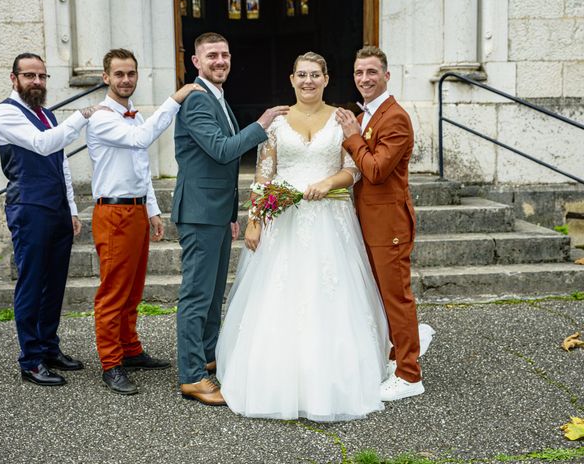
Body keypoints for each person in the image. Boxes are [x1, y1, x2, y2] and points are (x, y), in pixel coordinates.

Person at [215, 52, 391, 421]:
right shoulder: (276, 122)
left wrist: (328, 183)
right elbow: (264, 174)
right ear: (292, 79)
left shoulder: (343, 119)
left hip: (331, 217)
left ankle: (332, 379)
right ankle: (278, 378)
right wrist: (255, 219)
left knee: (331, 295)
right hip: (284, 219)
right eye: (302, 75)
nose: (308, 81)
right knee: (282, 295)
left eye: (315, 75)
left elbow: (353, 170)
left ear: (327, 79)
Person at [172, 32, 288, 406]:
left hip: (216, 212)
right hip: (198, 213)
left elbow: (221, 166)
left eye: (224, 54)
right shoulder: (195, 100)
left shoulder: (216, 96)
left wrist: (232, 213)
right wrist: (262, 124)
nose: (220, 61)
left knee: (212, 294)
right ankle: (191, 376)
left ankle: (207, 356)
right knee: (196, 295)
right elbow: (223, 151)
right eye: (212, 56)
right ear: (196, 62)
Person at [86, 48, 203, 395]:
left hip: (135, 210)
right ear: (106, 77)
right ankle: (111, 363)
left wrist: (151, 209)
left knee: (134, 288)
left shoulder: (133, 115)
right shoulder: (102, 117)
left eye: (131, 73)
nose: (126, 80)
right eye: (119, 74)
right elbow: (141, 139)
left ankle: (131, 348)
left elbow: (141, 168)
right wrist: (175, 99)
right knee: (113, 291)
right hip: (112, 213)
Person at [0, 52, 106, 386]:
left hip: (55, 208)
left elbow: (61, 162)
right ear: (14, 79)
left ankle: (49, 347)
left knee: (54, 283)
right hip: (29, 207)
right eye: (29, 76)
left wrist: (71, 208)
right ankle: (30, 359)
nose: (37, 82)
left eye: (41, 76)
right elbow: (42, 145)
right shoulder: (4, 114)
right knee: (32, 282)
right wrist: (82, 115)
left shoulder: (46, 113)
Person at [336, 46, 426, 401]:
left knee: (396, 298)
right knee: (382, 297)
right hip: (368, 221)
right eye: (359, 73)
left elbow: (374, 170)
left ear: (387, 75)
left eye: (371, 72)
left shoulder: (395, 117)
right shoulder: (368, 114)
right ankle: (395, 358)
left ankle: (409, 374)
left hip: (389, 224)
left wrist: (351, 135)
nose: (364, 79)